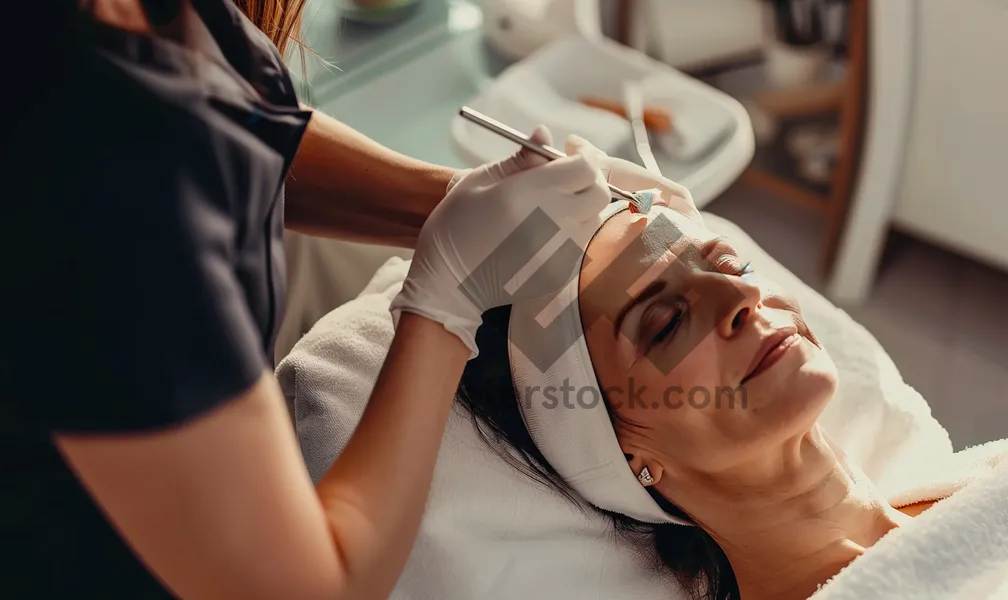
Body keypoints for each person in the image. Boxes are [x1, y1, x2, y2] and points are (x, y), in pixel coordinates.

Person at [0, 1, 688, 597]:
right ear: (639, 464)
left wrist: (454, 200)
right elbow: (306, 586)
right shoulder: (88, 176)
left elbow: (227, 127)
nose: (734, 278)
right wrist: (447, 298)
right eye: (666, 322)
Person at [453, 137, 939, 600]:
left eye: (729, 266)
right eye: (666, 325)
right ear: (628, 456)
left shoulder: (981, 489)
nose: (741, 296)